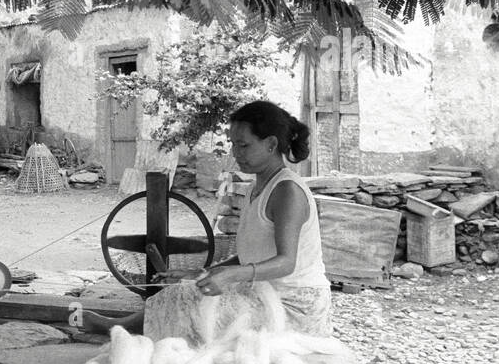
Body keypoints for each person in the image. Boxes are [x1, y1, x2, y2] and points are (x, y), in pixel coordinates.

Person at [84, 100, 333, 338]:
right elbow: (251, 256)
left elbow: (286, 263)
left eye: (244, 145)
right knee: (181, 292)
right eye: (233, 144)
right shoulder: (256, 188)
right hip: (267, 293)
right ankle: (119, 327)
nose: (236, 153)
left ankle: (118, 329)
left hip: (295, 304)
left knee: (191, 306)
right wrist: (199, 273)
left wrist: (231, 276)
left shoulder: (287, 191)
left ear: (270, 144)